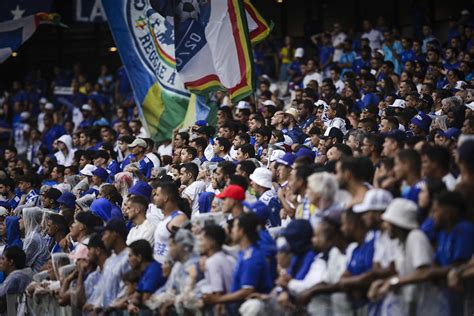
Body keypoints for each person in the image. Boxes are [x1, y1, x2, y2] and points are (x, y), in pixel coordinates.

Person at [370, 198, 448, 316]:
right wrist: (383, 283)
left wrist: (394, 282)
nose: (385, 226)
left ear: (397, 223)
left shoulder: (416, 237)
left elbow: (424, 272)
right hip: (414, 307)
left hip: (431, 309)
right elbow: (404, 276)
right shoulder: (399, 243)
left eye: (388, 222)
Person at [203, 213, 273, 311]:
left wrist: (218, 299)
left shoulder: (252, 257)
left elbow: (247, 291)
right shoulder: (243, 253)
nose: (231, 231)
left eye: (234, 227)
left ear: (241, 231)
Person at [84, 219, 130, 313]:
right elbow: (103, 288)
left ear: (115, 234)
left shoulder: (128, 258)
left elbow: (126, 290)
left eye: (105, 234)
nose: (103, 238)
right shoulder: (110, 260)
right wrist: (95, 305)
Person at [127, 239, 167, 313]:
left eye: (130, 256)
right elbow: (136, 296)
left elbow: (146, 302)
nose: (128, 259)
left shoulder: (154, 270)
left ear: (139, 257)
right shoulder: (145, 271)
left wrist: (134, 304)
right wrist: (131, 304)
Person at [153, 182, 189, 263]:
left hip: (169, 268)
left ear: (165, 198)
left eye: (157, 195)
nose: (154, 198)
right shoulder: (165, 217)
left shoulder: (179, 219)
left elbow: (185, 249)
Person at [0, 247, 32, 311]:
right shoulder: (24, 273)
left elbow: (1, 293)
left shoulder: (15, 277)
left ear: (11, 262)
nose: (0, 262)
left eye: (3, 259)